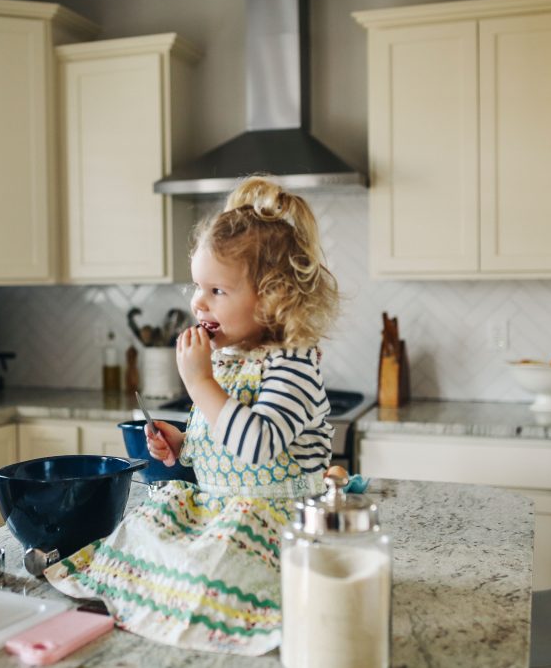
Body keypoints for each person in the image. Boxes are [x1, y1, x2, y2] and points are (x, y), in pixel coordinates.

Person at [45, 175, 340, 655]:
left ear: (271, 297)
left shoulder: (294, 362)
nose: (197, 302)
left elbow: (258, 445)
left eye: (217, 291)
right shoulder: (224, 359)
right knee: (148, 528)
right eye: (196, 286)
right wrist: (183, 443)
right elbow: (221, 439)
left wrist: (200, 384)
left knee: (214, 567)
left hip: (276, 520)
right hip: (220, 509)